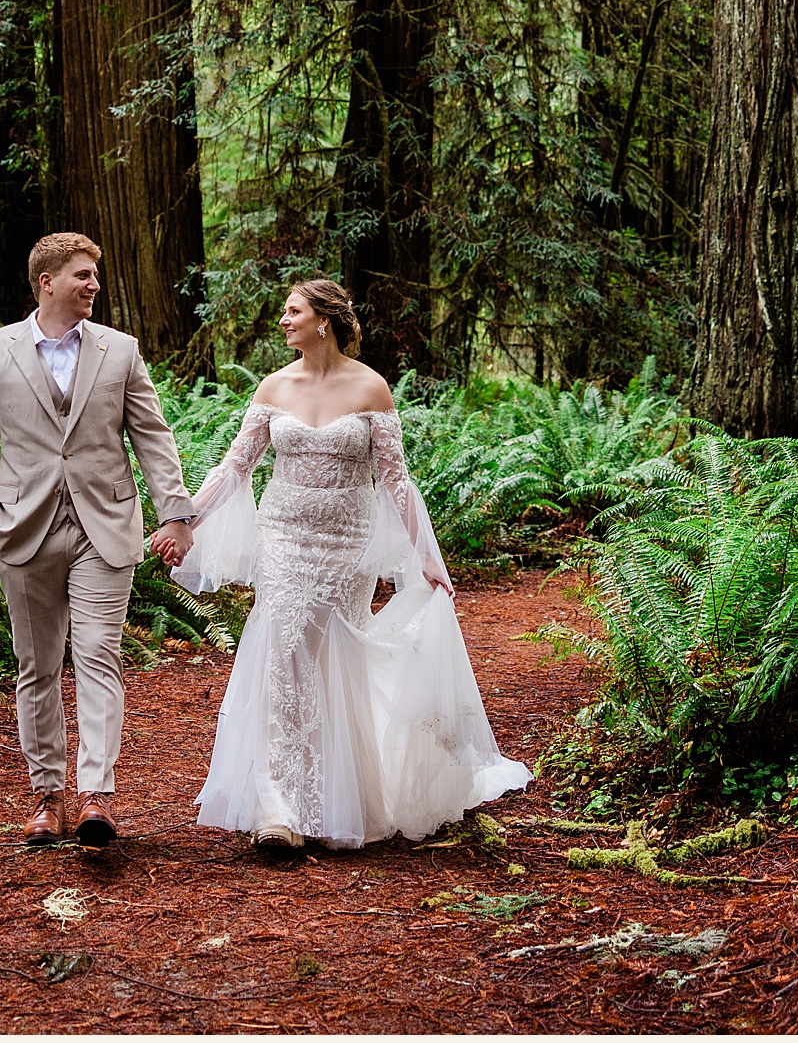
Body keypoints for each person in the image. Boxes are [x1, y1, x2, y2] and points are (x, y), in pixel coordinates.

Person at [157, 279, 529, 851]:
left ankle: (336, 798)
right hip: (283, 539)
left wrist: (427, 558)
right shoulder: (274, 387)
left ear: (323, 321)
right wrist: (184, 520)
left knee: (334, 658)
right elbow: (235, 469)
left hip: (346, 546)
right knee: (284, 652)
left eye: (292, 311)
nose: (283, 321)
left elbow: (395, 480)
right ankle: (278, 808)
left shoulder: (370, 387)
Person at [0, 233, 198, 847]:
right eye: (83, 275)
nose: (94, 285)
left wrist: (176, 514)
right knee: (36, 667)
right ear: (47, 281)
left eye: (96, 275)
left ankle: (97, 796)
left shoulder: (120, 351)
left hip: (104, 526)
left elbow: (153, 436)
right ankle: (46, 795)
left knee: (96, 656)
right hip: (23, 529)